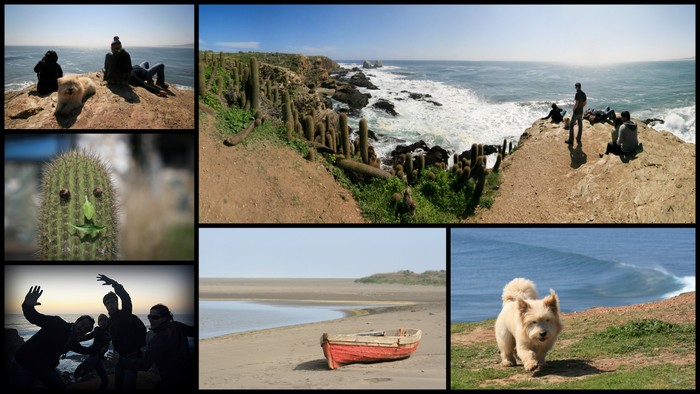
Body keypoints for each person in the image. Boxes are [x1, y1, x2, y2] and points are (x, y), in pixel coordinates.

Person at [9, 286, 98, 389]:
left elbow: (83, 349)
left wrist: (99, 349)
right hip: (24, 364)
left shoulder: (73, 341)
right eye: (82, 325)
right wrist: (27, 306)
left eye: (86, 330)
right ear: (77, 321)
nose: (82, 329)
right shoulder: (57, 323)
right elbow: (34, 317)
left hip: (44, 369)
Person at [106, 304, 195, 390]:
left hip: (175, 380)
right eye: (149, 316)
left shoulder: (160, 338)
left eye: (155, 317)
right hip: (188, 373)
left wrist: (119, 360)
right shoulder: (177, 326)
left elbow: (145, 364)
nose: (150, 320)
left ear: (165, 318)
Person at [98, 274, 146, 390]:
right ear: (106, 307)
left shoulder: (125, 315)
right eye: (108, 303)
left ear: (117, 303)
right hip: (118, 359)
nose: (110, 305)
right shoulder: (109, 322)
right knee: (118, 385)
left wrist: (114, 284)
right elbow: (110, 337)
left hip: (132, 358)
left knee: (128, 386)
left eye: (112, 302)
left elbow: (126, 298)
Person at [74, 314, 111, 389]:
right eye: (100, 321)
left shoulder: (110, 331)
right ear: (98, 323)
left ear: (108, 322)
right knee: (92, 361)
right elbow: (87, 337)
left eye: (105, 320)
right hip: (94, 353)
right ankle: (78, 372)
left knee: (105, 380)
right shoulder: (97, 331)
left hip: (100, 356)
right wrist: (78, 339)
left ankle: (82, 374)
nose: (103, 322)